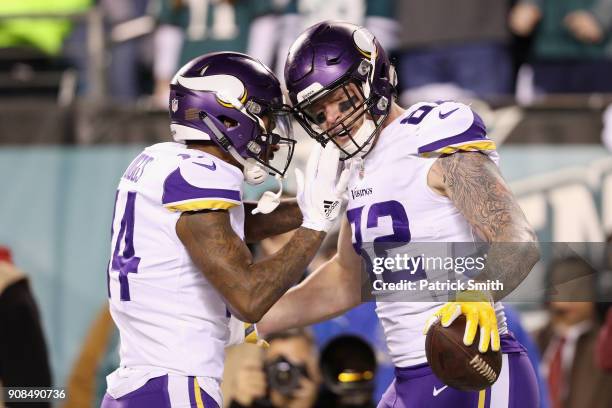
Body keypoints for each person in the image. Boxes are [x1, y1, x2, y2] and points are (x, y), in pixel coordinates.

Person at [257, 21, 541, 407]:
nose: (333, 119)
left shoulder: (430, 134)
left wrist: (479, 291)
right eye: (317, 112)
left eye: (342, 99)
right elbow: (345, 280)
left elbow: (516, 239)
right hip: (411, 377)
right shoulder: (354, 167)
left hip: (472, 367)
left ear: (373, 79)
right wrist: (250, 321)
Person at [101, 51, 345, 408]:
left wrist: (306, 208)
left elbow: (226, 226)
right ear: (228, 116)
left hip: (138, 384)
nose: (271, 130)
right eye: (263, 115)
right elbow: (249, 299)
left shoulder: (161, 160)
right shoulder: (202, 173)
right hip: (177, 386)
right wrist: (315, 224)